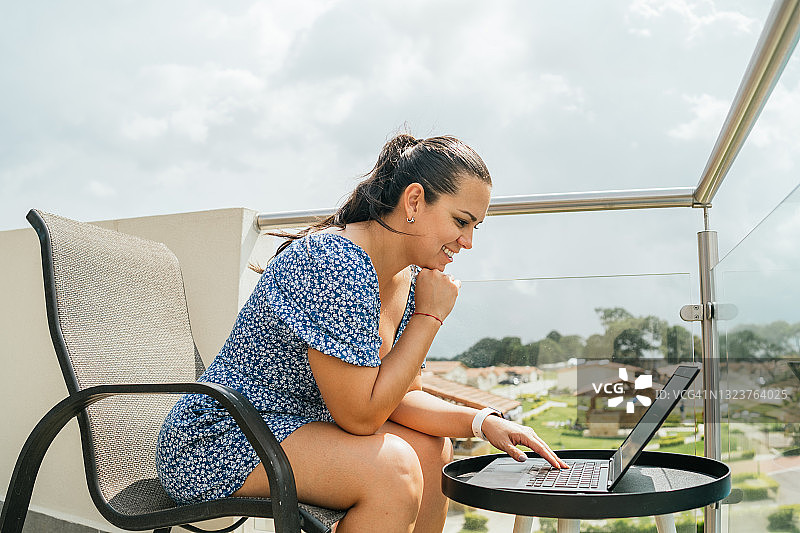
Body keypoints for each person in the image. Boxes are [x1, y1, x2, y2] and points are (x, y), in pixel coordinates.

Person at [156, 133, 568, 533]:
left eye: (476, 226)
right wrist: (429, 317)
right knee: (393, 470)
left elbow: (401, 396)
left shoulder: (408, 278)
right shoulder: (335, 261)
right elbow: (360, 418)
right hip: (220, 439)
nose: (468, 241)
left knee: (431, 449)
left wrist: (481, 422)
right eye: (461, 221)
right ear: (414, 200)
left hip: (298, 428)